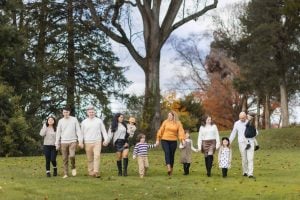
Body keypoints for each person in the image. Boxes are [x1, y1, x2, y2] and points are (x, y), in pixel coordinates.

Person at [81, 105, 109, 178]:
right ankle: (90, 172)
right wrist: (81, 142)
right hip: (87, 142)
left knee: (97, 156)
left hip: (97, 141)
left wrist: (106, 140)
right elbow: (81, 134)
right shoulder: (84, 122)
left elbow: (103, 131)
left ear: (95, 112)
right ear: (87, 113)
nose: (91, 113)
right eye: (90, 112)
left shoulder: (99, 121)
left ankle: (96, 171)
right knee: (89, 158)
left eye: (92, 112)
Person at [55, 107, 83, 178]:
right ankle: (66, 173)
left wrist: (80, 141)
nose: (65, 114)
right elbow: (58, 132)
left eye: (67, 112)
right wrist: (57, 143)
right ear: (62, 113)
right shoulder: (60, 121)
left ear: (69, 112)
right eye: (64, 112)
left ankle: (73, 166)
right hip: (63, 142)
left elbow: (78, 130)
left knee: (72, 155)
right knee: (64, 158)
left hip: (73, 141)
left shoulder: (74, 119)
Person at [155, 111, 185, 176]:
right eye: (168, 116)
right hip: (164, 140)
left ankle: (171, 169)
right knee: (167, 152)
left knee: (172, 155)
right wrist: (158, 139)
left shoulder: (178, 123)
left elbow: (181, 132)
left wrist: (182, 140)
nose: (169, 117)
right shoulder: (165, 122)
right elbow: (160, 130)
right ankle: (168, 167)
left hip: (173, 141)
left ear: (174, 116)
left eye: (170, 116)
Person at [229, 111, 258, 178]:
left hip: (250, 142)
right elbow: (233, 133)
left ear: (246, 117)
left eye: (243, 118)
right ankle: (245, 171)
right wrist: (229, 142)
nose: (242, 119)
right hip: (242, 143)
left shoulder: (250, 122)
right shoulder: (236, 123)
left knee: (250, 158)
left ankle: (250, 173)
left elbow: (256, 132)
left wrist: (252, 133)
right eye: (240, 118)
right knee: (244, 158)